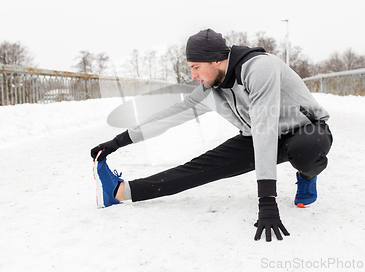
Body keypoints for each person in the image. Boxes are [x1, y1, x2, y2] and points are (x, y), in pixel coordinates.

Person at [91, 28, 333, 242]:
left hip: (306, 129)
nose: (194, 75)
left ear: (216, 60)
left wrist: (267, 200)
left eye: (196, 67)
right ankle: (120, 192)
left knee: (305, 151)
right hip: (255, 135)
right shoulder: (210, 88)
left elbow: (265, 127)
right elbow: (170, 116)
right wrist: (118, 141)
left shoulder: (260, 68)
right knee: (198, 168)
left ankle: (307, 176)